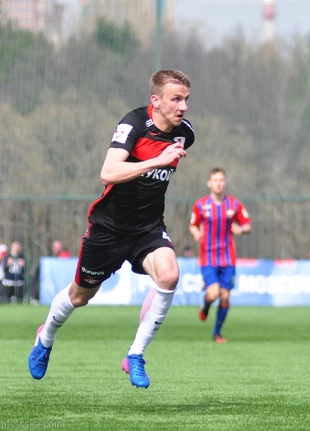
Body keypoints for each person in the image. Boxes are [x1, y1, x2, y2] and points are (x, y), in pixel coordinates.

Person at [28, 69, 195, 389]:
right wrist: (156, 161)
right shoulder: (133, 125)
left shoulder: (185, 133)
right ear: (155, 100)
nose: (183, 107)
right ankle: (45, 338)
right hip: (110, 228)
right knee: (80, 297)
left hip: (148, 228)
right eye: (176, 99)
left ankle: (135, 354)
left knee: (169, 276)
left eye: (186, 99)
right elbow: (108, 172)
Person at [190, 167, 251, 343]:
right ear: (209, 183)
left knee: (225, 296)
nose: (218, 183)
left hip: (228, 257)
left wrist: (241, 229)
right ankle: (205, 304)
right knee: (214, 293)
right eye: (215, 180)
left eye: (221, 180)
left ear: (225, 183)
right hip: (208, 257)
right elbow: (193, 224)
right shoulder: (200, 205)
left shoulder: (234, 204)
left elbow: (247, 225)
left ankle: (217, 332)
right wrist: (196, 233)